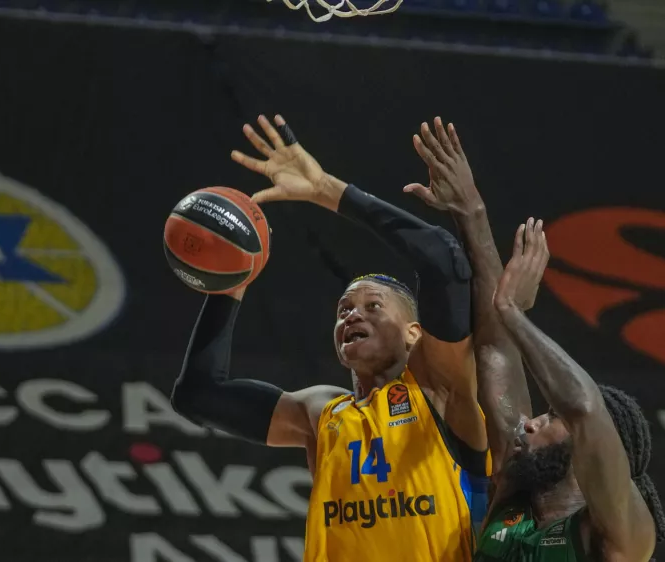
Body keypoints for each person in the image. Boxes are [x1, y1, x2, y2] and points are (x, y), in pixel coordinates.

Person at [170, 115, 489, 562]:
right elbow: (198, 396)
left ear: (415, 333)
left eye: (373, 306)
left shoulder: (440, 390)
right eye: (344, 310)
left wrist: (326, 191)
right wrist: (229, 289)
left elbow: (441, 257)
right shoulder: (321, 413)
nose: (352, 314)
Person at [407, 118, 665, 561]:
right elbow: (494, 353)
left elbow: (584, 409)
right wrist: (472, 213)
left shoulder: (622, 535)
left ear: (597, 451)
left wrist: (515, 315)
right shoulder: (515, 494)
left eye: (547, 419)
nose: (528, 423)